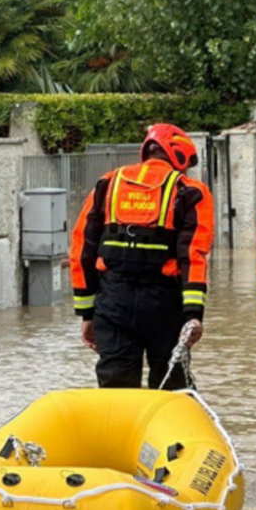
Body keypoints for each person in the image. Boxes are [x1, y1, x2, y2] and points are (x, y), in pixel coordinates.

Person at [69, 123, 215, 389]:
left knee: (117, 387)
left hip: (113, 303)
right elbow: (194, 256)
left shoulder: (108, 183)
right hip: (165, 306)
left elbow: (81, 250)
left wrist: (87, 314)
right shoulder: (191, 191)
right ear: (180, 157)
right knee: (171, 388)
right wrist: (194, 314)